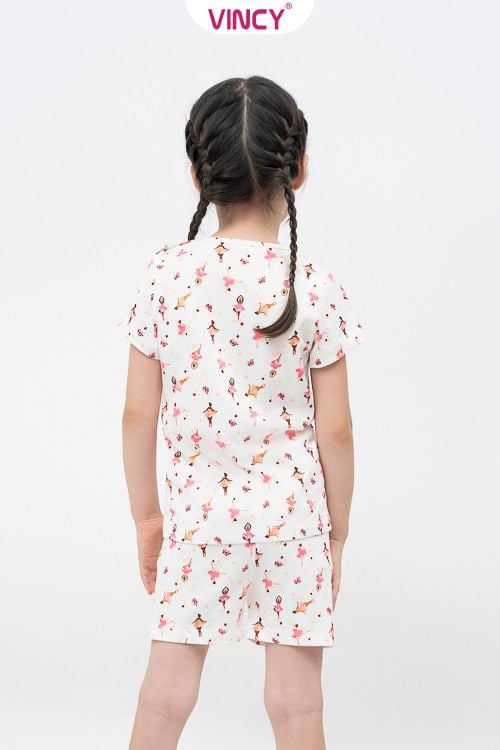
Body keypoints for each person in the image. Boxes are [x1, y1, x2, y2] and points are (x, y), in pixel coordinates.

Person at [121, 76, 364, 750]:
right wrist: (336, 534)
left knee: (164, 697)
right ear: (300, 169)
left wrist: (148, 519)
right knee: (297, 706)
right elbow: (337, 430)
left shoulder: (165, 276)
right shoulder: (312, 285)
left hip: (198, 519)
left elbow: (137, 415)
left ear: (198, 174)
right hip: (293, 520)